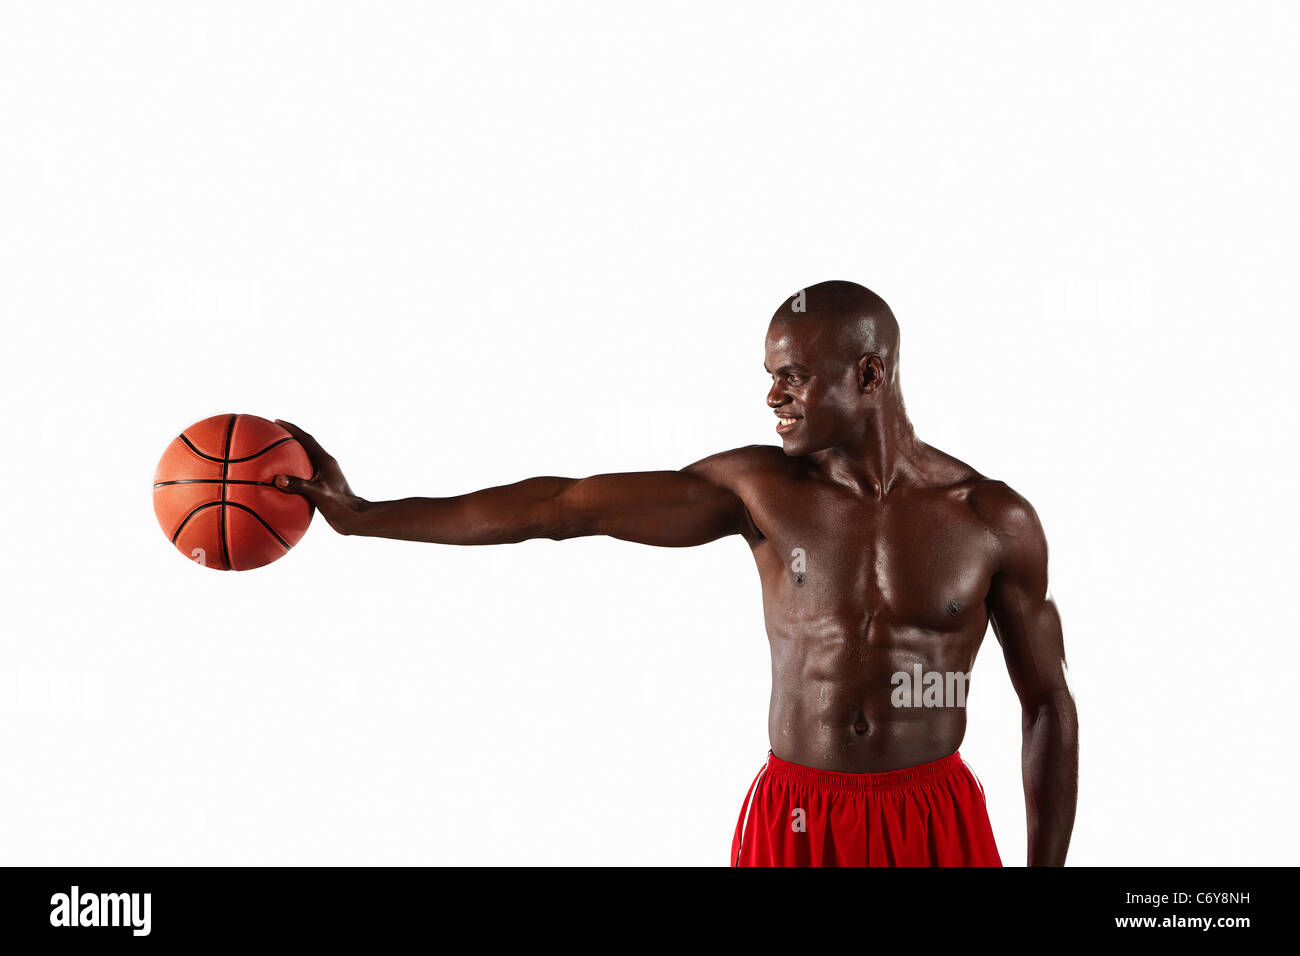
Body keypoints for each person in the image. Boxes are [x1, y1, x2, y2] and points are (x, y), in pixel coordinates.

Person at [275, 280, 1078, 866]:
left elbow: (1047, 702)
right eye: (770, 374)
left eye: (793, 375)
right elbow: (565, 506)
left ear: (870, 376)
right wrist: (367, 515)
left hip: (928, 818)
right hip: (799, 815)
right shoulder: (757, 491)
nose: (773, 396)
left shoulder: (990, 518)